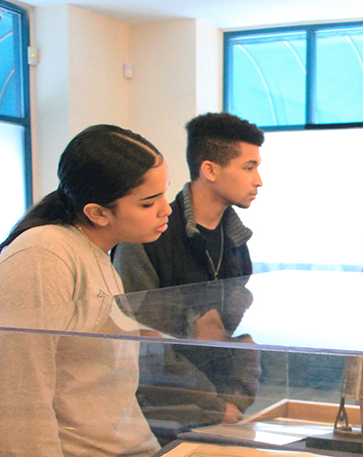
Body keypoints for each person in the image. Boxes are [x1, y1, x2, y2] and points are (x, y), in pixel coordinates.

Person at [0, 125, 168, 457]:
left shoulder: (97, 253)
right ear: (98, 212)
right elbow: (21, 408)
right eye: (149, 202)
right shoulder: (41, 258)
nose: (165, 210)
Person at [113, 112, 265, 425]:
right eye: (249, 167)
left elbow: (233, 341)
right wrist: (215, 407)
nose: (258, 180)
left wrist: (233, 402)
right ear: (209, 169)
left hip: (222, 410)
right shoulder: (147, 238)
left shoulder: (236, 243)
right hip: (157, 414)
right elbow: (141, 343)